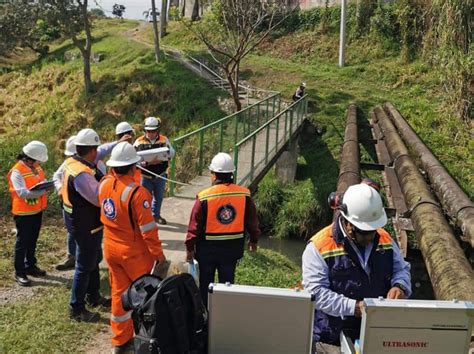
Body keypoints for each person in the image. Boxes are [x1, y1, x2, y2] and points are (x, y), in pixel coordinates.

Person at [302, 183, 411, 353]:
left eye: (373, 230)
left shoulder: (384, 238)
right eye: (365, 232)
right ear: (347, 223)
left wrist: (400, 286)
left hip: (377, 333)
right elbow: (317, 292)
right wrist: (354, 307)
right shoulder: (319, 246)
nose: (371, 236)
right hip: (332, 338)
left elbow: (401, 269)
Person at [98, 142, 167, 353]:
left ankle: (120, 341)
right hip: (134, 253)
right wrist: (159, 256)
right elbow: (148, 231)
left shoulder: (104, 183)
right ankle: (146, 341)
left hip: (110, 247)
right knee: (145, 298)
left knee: (120, 295)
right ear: (133, 167)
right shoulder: (138, 194)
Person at [63, 128, 129, 322]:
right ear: (90, 150)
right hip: (85, 224)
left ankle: (93, 296)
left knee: (94, 258)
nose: (98, 152)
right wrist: (112, 183)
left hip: (81, 221)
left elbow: (102, 151)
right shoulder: (82, 175)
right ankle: (77, 308)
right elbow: (99, 199)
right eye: (96, 149)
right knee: (84, 265)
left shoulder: (74, 161)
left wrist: (117, 144)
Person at [185, 152, 260, 307]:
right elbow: (252, 221)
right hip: (232, 249)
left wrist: (189, 248)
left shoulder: (204, 197)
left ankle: (206, 318)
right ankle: (224, 315)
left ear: (214, 175)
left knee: (206, 285)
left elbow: (194, 226)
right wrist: (253, 240)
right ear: (231, 173)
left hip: (207, 250)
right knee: (227, 284)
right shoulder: (244, 194)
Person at [7, 141, 52, 286]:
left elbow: (41, 180)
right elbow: (21, 193)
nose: (39, 162)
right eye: (38, 160)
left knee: (33, 239)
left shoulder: (36, 167)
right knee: (22, 242)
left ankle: (30, 265)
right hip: (23, 213)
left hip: (37, 211)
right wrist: (43, 191)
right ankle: (19, 272)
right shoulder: (17, 171)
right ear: (30, 158)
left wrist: (46, 184)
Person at [133, 116, 175, 225]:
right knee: (145, 200)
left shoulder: (164, 140)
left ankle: (156, 216)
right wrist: (148, 163)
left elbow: (172, 153)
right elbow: (133, 162)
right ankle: (146, 219)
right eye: (149, 131)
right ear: (145, 130)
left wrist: (166, 153)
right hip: (145, 177)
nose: (151, 133)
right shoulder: (138, 142)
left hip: (160, 175)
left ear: (158, 130)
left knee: (159, 197)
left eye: (153, 131)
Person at [53, 135, 78, 271]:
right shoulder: (68, 162)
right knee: (71, 230)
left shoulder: (95, 163)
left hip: (84, 206)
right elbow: (56, 176)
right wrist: (59, 189)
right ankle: (71, 257)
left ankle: (86, 259)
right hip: (68, 204)